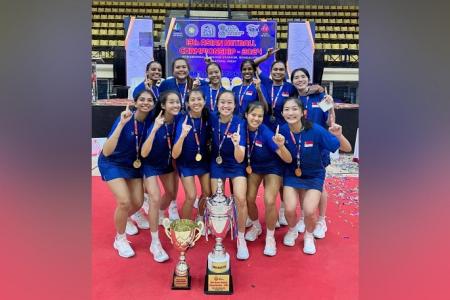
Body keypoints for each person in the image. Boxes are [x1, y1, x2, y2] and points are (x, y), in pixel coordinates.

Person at [254, 48, 324, 228]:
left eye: (281, 70)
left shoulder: (290, 87)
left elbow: (305, 89)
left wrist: (318, 87)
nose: (278, 72)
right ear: (270, 72)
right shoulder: (266, 83)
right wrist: (267, 56)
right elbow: (253, 64)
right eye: (275, 69)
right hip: (268, 134)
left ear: (285, 73)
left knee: (287, 173)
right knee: (277, 173)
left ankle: (286, 210)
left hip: (288, 133)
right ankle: (281, 211)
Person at [279, 97, 351, 254]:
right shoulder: (282, 130)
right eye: (287, 109)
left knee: (310, 211)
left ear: (303, 112)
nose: (290, 113)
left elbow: (347, 148)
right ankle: (292, 230)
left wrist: (339, 135)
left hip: (314, 176)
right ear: (282, 113)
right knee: (289, 209)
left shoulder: (316, 130)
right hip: (292, 175)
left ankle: (309, 236)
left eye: (294, 109)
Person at [98, 90, 155, 258]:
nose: (146, 102)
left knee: (137, 202)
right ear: (135, 103)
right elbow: (107, 151)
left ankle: (127, 217)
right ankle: (120, 239)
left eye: (149, 100)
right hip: (112, 162)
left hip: (133, 164)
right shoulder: (126, 117)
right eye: (142, 100)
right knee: (124, 201)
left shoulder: (151, 121)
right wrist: (122, 124)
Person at [243, 102, 292, 256]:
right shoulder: (241, 129)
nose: (256, 118)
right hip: (254, 167)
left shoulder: (265, 133)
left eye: (260, 116)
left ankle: (270, 237)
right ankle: (256, 226)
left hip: (272, 167)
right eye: (253, 115)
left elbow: (287, 158)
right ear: (246, 115)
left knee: (270, 200)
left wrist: (282, 146)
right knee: (248, 198)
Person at [291, 68, 335, 238]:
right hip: (300, 147)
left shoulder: (320, 97)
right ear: (292, 80)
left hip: (318, 146)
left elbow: (331, 121)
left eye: (303, 77)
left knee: (319, 184)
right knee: (302, 183)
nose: (300, 79)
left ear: (308, 79)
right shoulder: (294, 100)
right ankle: (303, 216)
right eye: (296, 77)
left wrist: (330, 106)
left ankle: (321, 220)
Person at [141, 91, 182, 262]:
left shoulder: (180, 120)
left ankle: (155, 213)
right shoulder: (156, 122)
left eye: (177, 102)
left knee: (171, 195)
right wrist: (155, 129)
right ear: (163, 105)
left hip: (167, 163)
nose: (175, 105)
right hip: (150, 164)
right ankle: (155, 242)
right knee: (155, 197)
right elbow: (144, 153)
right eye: (171, 102)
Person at [209, 91, 249, 260]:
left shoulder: (240, 122)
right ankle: (218, 230)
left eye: (229, 103)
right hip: (217, 163)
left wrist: (236, 145)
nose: (226, 105)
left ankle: (241, 238)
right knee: (216, 200)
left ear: (234, 105)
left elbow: (240, 158)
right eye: (222, 102)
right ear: (217, 104)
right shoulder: (211, 118)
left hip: (235, 164)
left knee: (240, 198)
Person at [172, 89, 211, 228]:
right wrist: (182, 135)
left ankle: (200, 216)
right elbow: (175, 154)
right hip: (186, 163)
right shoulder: (182, 120)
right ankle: (185, 227)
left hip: (204, 161)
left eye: (199, 99)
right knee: (191, 196)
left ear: (204, 101)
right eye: (192, 100)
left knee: (207, 193)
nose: (196, 102)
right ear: (187, 103)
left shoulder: (207, 117)